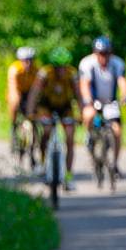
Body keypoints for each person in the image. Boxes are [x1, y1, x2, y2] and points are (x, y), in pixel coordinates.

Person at [26, 46, 82, 190]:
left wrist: (81, 114)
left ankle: (68, 175)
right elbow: (34, 93)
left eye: (63, 67)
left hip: (65, 107)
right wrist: (30, 112)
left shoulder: (72, 74)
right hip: (47, 106)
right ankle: (44, 163)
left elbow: (79, 95)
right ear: (54, 66)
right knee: (46, 130)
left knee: (70, 137)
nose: (61, 71)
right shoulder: (45, 73)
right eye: (58, 67)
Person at [79, 36, 126, 178]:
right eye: (100, 53)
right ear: (95, 53)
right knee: (88, 115)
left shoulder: (117, 63)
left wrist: (125, 95)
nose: (103, 57)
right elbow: (85, 84)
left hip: (110, 102)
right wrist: (88, 100)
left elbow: (122, 80)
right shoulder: (87, 63)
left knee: (117, 131)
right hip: (93, 101)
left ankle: (114, 164)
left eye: (106, 53)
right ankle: (89, 137)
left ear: (110, 53)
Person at [7, 46, 38, 158]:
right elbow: (13, 89)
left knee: (34, 115)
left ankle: (34, 145)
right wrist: (17, 102)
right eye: (25, 60)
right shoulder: (14, 69)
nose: (28, 63)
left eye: (31, 60)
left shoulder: (36, 71)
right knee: (14, 101)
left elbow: (36, 91)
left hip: (30, 93)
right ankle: (13, 125)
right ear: (20, 60)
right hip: (18, 92)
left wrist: (31, 109)